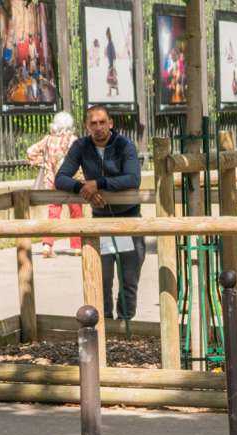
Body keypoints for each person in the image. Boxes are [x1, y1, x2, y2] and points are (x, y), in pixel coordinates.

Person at [55, 105, 144, 321]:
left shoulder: (124, 145)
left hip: (128, 220)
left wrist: (99, 183)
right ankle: (104, 326)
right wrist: (84, 189)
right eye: (93, 123)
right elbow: (61, 178)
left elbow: (133, 179)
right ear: (87, 126)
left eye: (102, 122)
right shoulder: (81, 146)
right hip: (100, 221)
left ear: (111, 124)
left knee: (129, 280)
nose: (98, 127)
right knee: (102, 279)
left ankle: (125, 325)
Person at [27, 111, 83, 257]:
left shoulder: (47, 140)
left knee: (53, 213)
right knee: (76, 212)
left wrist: (44, 163)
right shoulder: (72, 140)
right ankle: (77, 247)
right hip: (71, 181)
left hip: (53, 182)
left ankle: (47, 245)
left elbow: (30, 151)